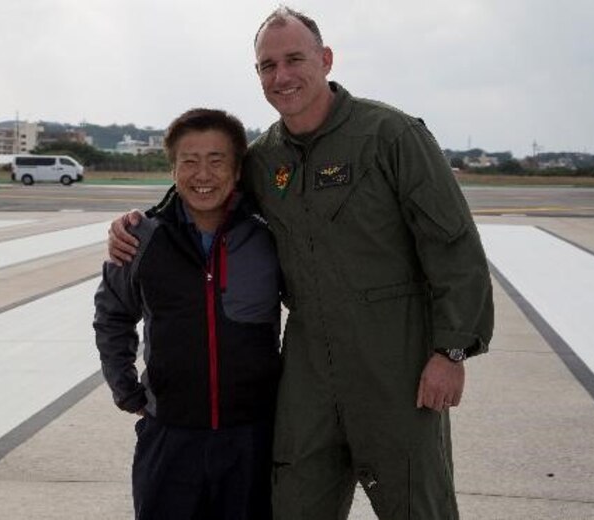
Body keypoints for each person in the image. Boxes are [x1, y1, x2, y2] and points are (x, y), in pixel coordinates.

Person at [108, 7, 494, 520]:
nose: (282, 76)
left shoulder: (391, 136)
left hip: (395, 362)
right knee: (293, 502)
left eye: (294, 59)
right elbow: (203, 186)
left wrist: (451, 351)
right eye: (268, 65)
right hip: (308, 365)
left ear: (326, 60)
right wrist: (138, 221)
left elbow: (454, 245)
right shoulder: (266, 157)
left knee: (417, 503)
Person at [94, 108, 282, 520]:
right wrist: (126, 388)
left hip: (251, 438)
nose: (203, 175)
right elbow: (112, 314)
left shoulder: (269, 235)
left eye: (217, 161)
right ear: (173, 168)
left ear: (236, 170)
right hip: (169, 438)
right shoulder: (140, 238)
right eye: (189, 161)